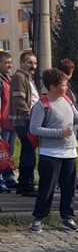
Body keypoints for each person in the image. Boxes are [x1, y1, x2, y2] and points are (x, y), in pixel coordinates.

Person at [28, 68, 78, 234]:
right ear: (52, 86)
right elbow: (34, 129)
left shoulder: (67, 100)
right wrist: (59, 133)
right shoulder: (42, 105)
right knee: (46, 187)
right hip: (50, 153)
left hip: (70, 151)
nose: (66, 87)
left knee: (69, 187)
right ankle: (39, 218)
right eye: (63, 84)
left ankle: (68, 218)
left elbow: (77, 119)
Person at [9, 50, 39, 196]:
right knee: (29, 153)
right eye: (29, 62)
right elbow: (19, 99)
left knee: (28, 152)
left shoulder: (28, 78)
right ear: (21, 63)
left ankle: (23, 183)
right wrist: (30, 115)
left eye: (34, 63)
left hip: (28, 119)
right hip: (24, 120)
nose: (32, 65)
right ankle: (26, 185)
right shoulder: (19, 77)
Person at [58, 58, 78, 191]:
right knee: (65, 155)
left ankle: (72, 180)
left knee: (71, 154)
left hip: (72, 123)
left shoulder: (66, 87)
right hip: (66, 126)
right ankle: (65, 181)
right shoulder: (63, 88)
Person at [0, 50, 17, 191]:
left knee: (9, 152)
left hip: (12, 122)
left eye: (10, 62)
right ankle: (2, 179)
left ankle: (9, 177)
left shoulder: (10, 79)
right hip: (3, 122)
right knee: (1, 152)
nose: (9, 65)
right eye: (6, 62)